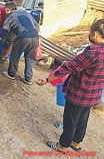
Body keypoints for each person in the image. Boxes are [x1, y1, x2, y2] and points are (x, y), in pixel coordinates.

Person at [36, 19, 104, 154]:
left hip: (80, 93)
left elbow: (69, 67)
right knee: (83, 119)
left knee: (70, 121)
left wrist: (48, 79)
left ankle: (62, 146)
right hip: (94, 94)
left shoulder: (92, 52)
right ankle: (76, 143)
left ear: (95, 34)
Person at [0, 5, 40, 85]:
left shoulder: (11, 16)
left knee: (15, 55)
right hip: (35, 37)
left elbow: (4, 30)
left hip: (23, 38)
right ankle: (28, 78)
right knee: (30, 58)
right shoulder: (27, 14)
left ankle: (11, 74)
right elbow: (37, 26)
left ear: (7, 10)